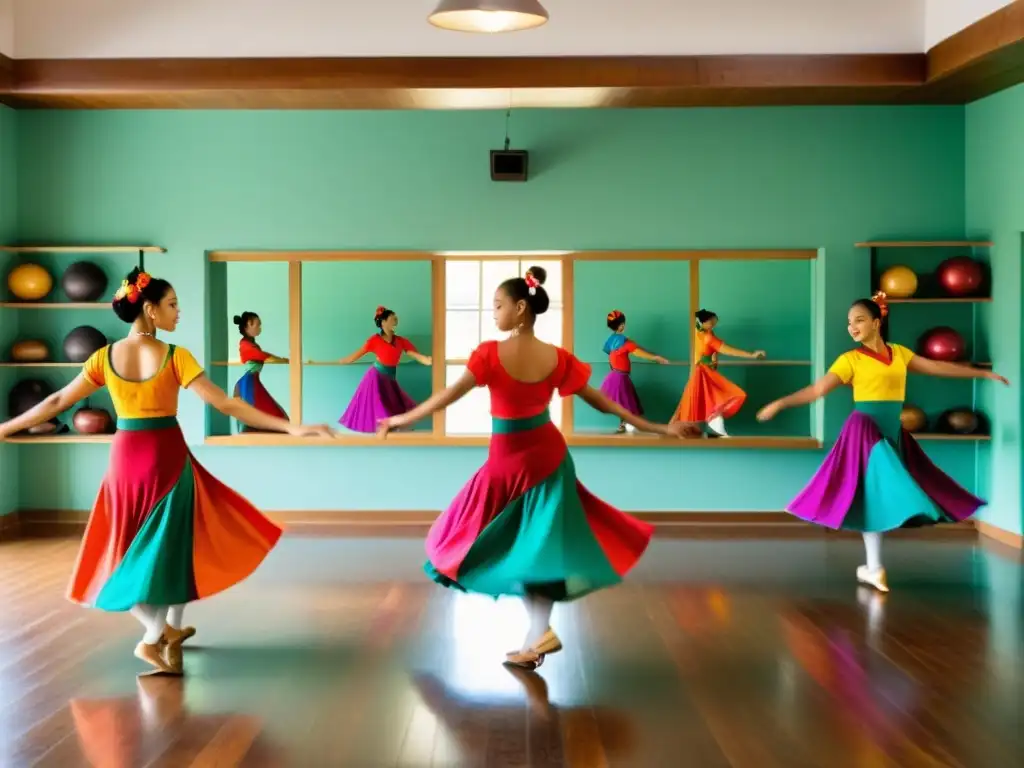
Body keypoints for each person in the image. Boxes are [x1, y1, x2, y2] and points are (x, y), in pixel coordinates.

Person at [0, 268, 337, 676]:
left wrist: (5, 427)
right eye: (173, 304)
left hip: (125, 460)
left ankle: (169, 632)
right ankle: (151, 636)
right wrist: (290, 426)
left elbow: (55, 401)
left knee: (131, 552)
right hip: (168, 459)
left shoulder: (102, 358)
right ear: (150, 309)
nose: (179, 312)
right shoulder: (176, 357)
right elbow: (226, 405)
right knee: (176, 545)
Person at [379, 266, 700, 669]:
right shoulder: (556, 357)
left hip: (510, 461)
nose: (493, 313)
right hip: (547, 456)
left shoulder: (490, 354)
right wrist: (658, 428)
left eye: (497, 306)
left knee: (476, 539)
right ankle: (538, 634)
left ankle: (537, 634)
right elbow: (602, 401)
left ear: (520, 307)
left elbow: (447, 396)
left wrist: (402, 419)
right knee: (539, 549)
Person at [757, 292, 1008, 592]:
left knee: (876, 497)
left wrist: (981, 373)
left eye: (859, 320)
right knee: (876, 492)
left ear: (876, 322)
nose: (852, 327)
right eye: (849, 322)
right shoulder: (849, 360)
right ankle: (873, 567)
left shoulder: (899, 353)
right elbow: (817, 390)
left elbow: (937, 367)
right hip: (864, 431)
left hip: (891, 433)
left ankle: (872, 567)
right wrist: (781, 404)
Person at [338, 305, 432, 433]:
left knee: (395, 404)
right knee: (381, 406)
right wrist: (343, 361)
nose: (396, 321)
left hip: (390, 378)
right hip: (376, 377)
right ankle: (385, 432)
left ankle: (394, 430)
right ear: (383, 322)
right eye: (393, 319)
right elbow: (356, 355)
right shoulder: (374, 340)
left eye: (396, 319)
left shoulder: (400, 341)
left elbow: (414, 354)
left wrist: (427, 360)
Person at [673, 308, 766, 437]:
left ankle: (707, 424)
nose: (713, 326)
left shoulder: (698, 333)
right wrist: (751, 355)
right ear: (703, 322)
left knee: (699, 403)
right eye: (711, 323)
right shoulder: (707, 337)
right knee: (716, 398)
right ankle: (712, 421)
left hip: (701, 371)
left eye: (714, 323)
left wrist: (713, 358)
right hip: (703, 372)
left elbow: (710, 351)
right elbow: (727, 350)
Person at [599, 309, 669, 433]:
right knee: (625, 403)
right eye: (623, 324)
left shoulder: (610, 341)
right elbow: (638, 352)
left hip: (615, 375)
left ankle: (625, 424)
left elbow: (612, 356)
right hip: (620, 377)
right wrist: (655, 358)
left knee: (624, 403)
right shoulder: (624, 341)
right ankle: (629, 425)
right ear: (621, 325)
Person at [232, 310, 289, 431]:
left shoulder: (251, 344)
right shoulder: (245, 345)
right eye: (257, 325)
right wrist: (282, 360)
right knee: (276, 418)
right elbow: (260, 355)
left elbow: (261, 355)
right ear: (248, 324)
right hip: (248, 383)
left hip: (252, 381)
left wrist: (281, 360)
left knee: (278, 417)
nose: (259, 328)